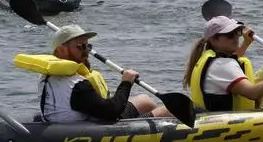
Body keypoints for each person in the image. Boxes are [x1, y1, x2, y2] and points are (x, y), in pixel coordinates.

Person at [18, 25, 171, 122]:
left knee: (144, 100)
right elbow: (111, 111)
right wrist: (126, 83)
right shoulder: (77, 85)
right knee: (165, 111)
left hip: (77, 120)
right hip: (94, 128)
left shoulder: (47, 76)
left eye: (87, 46)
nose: (86, 52)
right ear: (61, 51)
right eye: (80, 47)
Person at [183, 15, 263, 112]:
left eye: (237, 32)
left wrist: (246, 43)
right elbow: (253, 93)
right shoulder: (222, 65)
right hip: (226, 125)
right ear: (214, 40)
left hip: (214, 117)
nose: (236, 37)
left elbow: (234, 59)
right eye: (230, 35)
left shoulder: (209, 57)